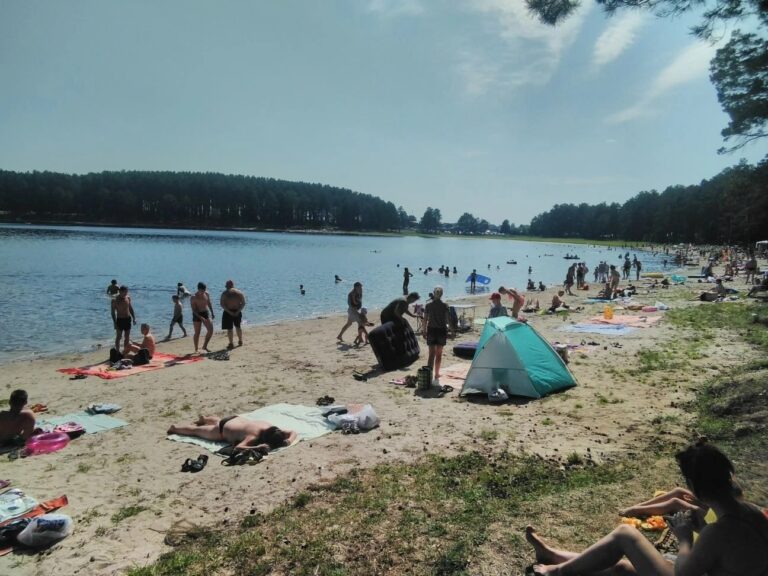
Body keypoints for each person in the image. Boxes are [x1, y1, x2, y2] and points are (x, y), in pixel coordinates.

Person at [525, 440, 768, 576]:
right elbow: (727, 554)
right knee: (622, 569)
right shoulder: (752, 513)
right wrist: (702, 528)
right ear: (728, 476)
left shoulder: (719, 531)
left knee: (625, 535)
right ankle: (554, 557)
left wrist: (685, 538)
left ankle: (556, 573)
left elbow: (684, 573)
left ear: (693, 485)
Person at [168, 416, 297, 452]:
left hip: (234, 418)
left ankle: (205, 419)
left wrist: (289, 440)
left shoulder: (271, 428)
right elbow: (239, 447)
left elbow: (293, 432)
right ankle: (175, 428)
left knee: (218, 420)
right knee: (195, 431)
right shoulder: (253, 437)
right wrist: (256, 447)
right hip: (221, 430)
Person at [423, 286, 450, 384]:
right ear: (442, 294)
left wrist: (423, 330)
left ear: (433, 294)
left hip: (431, 330)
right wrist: (452, 330)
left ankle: (429, 375)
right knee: (438, 354)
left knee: (431, 354)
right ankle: (437, 374)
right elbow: (448, 320)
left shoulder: (428, 306)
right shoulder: (445, 306)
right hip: (441, 331)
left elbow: (425, 319)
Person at [220, 280, 246, 350]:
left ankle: (231, 343)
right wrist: (238, 311)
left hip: (228, 312)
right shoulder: (239, 292)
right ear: (233, 285)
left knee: (230, 329)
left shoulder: (225, 293)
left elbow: (222, 304)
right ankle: (240, 341)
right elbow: (243, 303)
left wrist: (229, 312)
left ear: (227, 286)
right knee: (238, 327)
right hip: (237, 311)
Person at [111, 285, 136, 354]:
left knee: (127, 336)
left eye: (126, 292)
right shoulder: (114, 300)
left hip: (127, 319)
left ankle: (125, 351)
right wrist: (115, 323)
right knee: (119, 337)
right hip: (120, 320)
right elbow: (112, 313)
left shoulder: (128, 297)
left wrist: (134, 318)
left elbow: (130, 308)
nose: (125, 294)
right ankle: (118, 352)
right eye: (124, 292)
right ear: (120, 292)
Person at [191, 282, 215, 353]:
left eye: (204, 290)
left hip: (205, 312)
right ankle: (196, 349)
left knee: (210, 330)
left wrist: (212, 312)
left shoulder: (206, 294)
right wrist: (201, 318)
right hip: (197, 314)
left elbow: (209, 303)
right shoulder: (193, 297)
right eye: (201, 291)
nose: (203, 292)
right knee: (197, 332)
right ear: (198, 289)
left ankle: (204, 346)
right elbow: (194, 310)